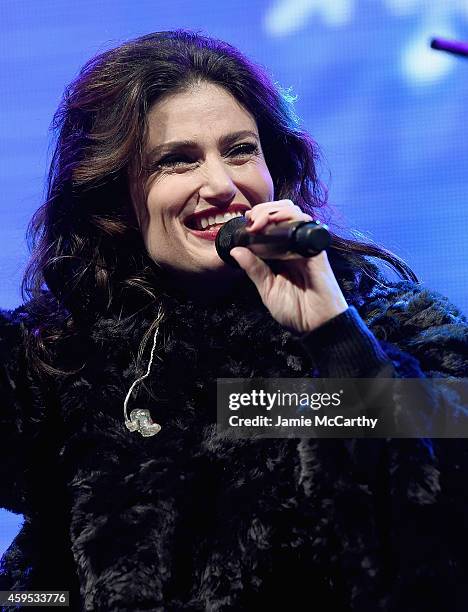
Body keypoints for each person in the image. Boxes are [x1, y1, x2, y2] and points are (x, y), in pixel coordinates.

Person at [0, 30, 467, 612]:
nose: (222, 186)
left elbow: (441, 495)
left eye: (241, 150)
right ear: (112, 194)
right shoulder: (52, 355)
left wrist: (334, 337)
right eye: (178, 160)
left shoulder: (388, 323)